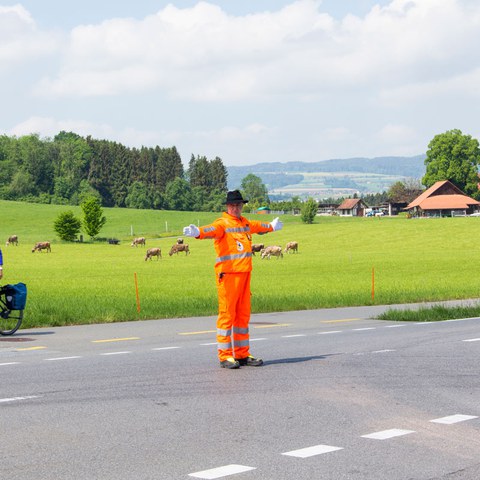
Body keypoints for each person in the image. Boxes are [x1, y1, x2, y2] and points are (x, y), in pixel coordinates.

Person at [183, 190, 283, 369]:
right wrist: (198, 232)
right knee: (227, 315)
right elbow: (211, 230)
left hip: (245, 275)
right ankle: (225, 356)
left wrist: (271, 226)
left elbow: (258, 226)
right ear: (227, 207)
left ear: (242, 206)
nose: (236, 208)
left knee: (242, 316)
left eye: (238, 205)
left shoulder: (244, 223)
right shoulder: (222, 223)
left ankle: (243, 354)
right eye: (233, 205)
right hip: (228, 276)